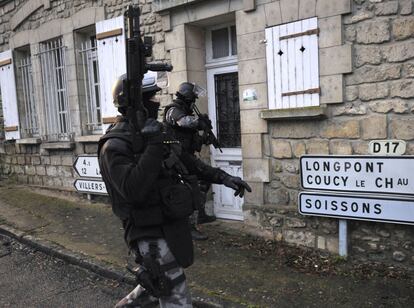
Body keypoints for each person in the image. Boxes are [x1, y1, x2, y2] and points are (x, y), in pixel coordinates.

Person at [98, 74, 251, 307]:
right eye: (151, 98)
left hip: (169, 223)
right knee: (174, 293)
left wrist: (224, 177)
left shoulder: (155, 131)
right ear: (135, 104)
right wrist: (153, 145)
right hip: (147, 231)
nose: (157, 102)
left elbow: (187, 162)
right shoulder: (115, 145)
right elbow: (132, 190)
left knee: (153, 289)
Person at [163, 82, 217, 241]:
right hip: (175, 156)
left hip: (187, 155)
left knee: (205, 180)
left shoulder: (186, 111)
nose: (194, 101)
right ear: (186, 97)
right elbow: (183, 122)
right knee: (191, 188)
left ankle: (200, 214)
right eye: (193, 98)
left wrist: (205, 138)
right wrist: (199, 122)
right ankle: (189, 226)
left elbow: (191, 138)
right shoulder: (173, 110)